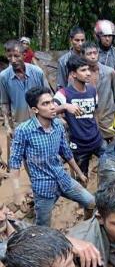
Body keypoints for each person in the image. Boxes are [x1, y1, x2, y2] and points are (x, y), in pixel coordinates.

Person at [9, 87, 94, 226]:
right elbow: (14, 162)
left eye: (52, 102)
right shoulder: (24, 130)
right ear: (35, 110)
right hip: (43, 186)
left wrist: (79, 173)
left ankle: (86, 227)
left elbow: (66, 152)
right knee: (44, 226)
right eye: (45, 104)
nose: (53, 107)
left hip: (63, 178)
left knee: (90, 202)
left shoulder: (58, 125)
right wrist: (17, 192)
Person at [54, 55, 106, 178]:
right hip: (78, 145)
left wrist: (98, 131)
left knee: (110, 165)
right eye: (83, 70)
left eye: (88, 69)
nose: (88, 73)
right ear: (73, 74)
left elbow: (95, 114)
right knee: (82, 178)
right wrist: (65, 106)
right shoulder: (64, 94)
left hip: (96, 140)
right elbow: (50, 110)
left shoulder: (92, 90)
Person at [0, 39, 49, 135]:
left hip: (41, 123)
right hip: (19, 125)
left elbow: (48, 95)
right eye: (9, 56)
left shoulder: (37, 72)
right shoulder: (4, 77)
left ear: (24, 55)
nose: (13, 60)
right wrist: (7, 126)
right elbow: (4, 103)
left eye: (16, 56)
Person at [81, 41, 115, 141]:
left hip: (108, 120)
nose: (93, 56)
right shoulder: (78, 76)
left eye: (95, 53)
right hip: (87, 122)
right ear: (83, 55)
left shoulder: (110, 72)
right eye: (89, 54)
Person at [94, 19, 115, 84]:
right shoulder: (93, 53)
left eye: (109, 36)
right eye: (104, 36)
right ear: (98, 37)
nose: (107, 39)